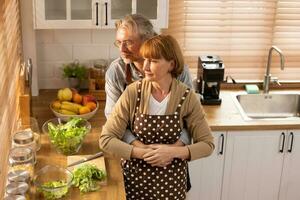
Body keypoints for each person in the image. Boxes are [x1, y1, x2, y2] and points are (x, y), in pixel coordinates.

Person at [99, 34, 214, 200]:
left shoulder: (187, 97)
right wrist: (142, 153)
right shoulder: (133, 92)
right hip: (134, 182)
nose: (145, 66)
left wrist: (173, 152)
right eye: (145, 59)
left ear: (171, 64)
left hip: (172, 185)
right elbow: (106, 139)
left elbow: (207, 145)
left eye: (153, 61)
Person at [105, 14, 193, 190]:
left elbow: (190, 118)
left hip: (172, 163)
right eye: (118, 42)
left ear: (148, 40)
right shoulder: (116, 72)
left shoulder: (178, 71)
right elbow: (112, 118)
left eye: (128, 42)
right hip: (133, 163)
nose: (121, 49)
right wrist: (141, 149)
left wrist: (173, 151)